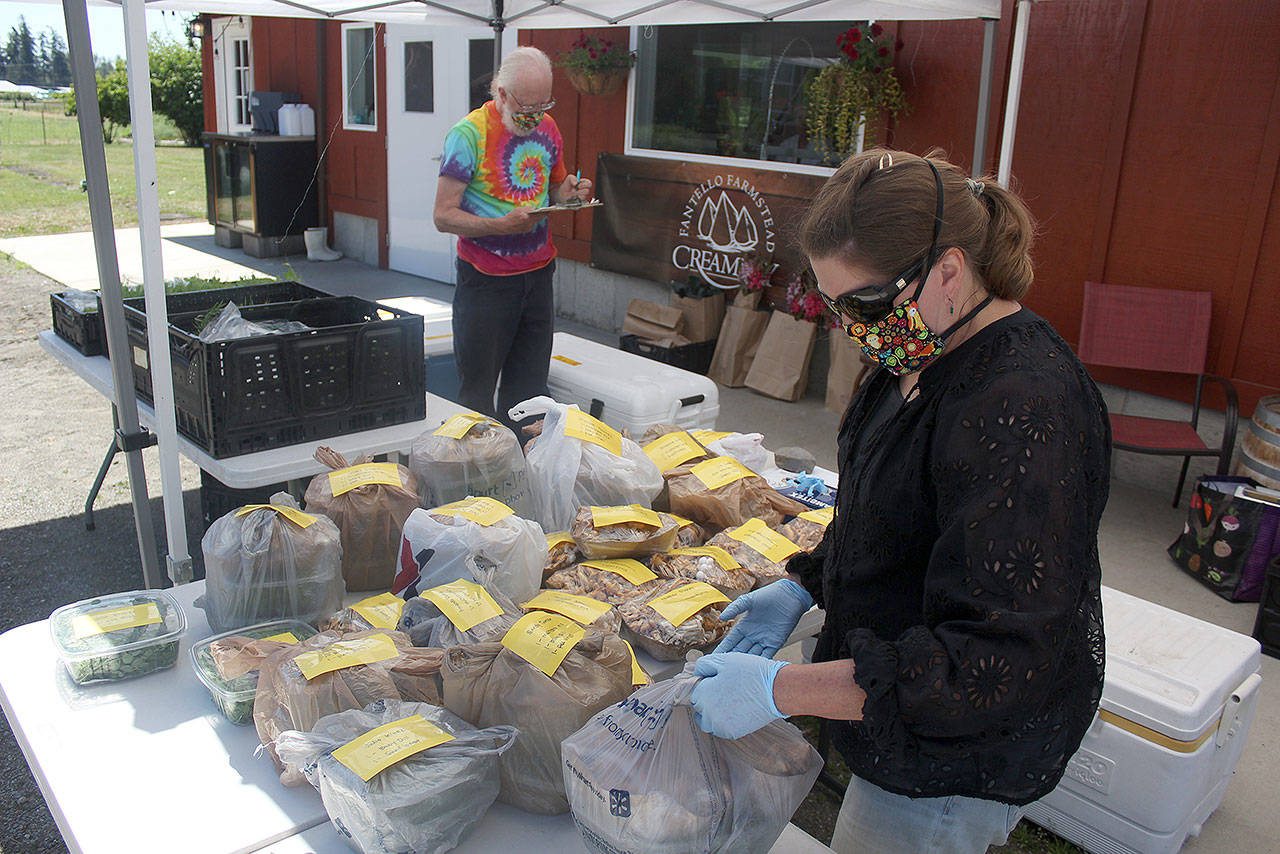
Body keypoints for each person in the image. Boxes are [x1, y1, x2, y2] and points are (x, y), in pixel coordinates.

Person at [688, 150, 1111, 853]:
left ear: (948, 271)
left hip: (952, 754)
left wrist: (780, 690)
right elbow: (886, 513)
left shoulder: (1024, 407)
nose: (849, 327)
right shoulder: (915, 351)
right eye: (833, 304)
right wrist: (804, 586)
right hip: (892, 699)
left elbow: (990, 664)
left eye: (865, 304)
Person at [433, 47, 591, 433]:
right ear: (500, 93)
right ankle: (479, 483)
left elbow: (553, 190)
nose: (534, 117)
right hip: (485, 282)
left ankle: (523, 480)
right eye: (526, 108)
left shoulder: (548, 128)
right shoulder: (468, 135)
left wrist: (569, 195)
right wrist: (500, 226)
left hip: (538, 277)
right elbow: (443, 216)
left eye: (542, 105)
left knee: (530, 396)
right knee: (476, 396)